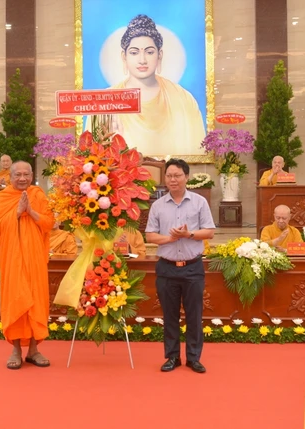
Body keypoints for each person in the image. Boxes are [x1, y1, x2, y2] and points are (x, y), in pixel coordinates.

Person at [145, 158, 215, 374]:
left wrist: (188, 234)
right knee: (170, 315)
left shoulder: (199, 202)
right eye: (169, 176)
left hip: (192, 267)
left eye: (177, 175)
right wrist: (170, 239)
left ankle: (194, 358)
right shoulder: (157, 205)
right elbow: (149, 235)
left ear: (186, 177)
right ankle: (172, 357)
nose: (172, 179)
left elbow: (209, 232)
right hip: (166, 268)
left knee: (194, 315)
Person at [107, 15, 205, 155]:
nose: (142, 60)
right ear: (124, 57)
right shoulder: (107, 101)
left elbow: (198, 152)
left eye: (149, 52)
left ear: (159, 55)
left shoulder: (183, 99)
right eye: (134, 52)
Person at [0, 161, 54, 370]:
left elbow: (49, 223)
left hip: (35, 256)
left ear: (32, 175)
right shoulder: (2, 197)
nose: (22, 178)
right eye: (17, 175)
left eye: (26, 174)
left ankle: (34, 350)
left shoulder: (38, 195)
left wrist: (31, 211)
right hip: (13, 257)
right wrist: (17, 212)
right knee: (16, 297)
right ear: (10, 177)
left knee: (36, 298)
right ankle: (16, 349)